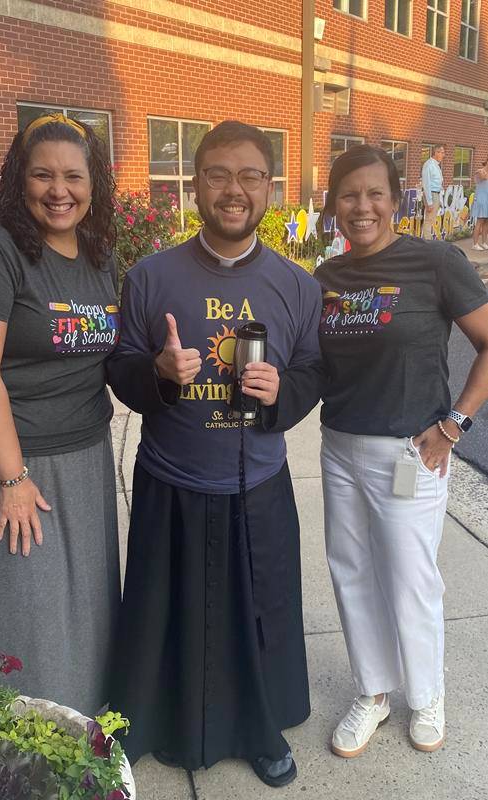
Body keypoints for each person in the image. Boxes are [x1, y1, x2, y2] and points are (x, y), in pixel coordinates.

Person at [107, 121, 323, 787]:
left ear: (269, 187)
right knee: (160, 616)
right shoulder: (149, 277)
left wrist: (284, 388)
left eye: (250, 176)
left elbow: (315, 371)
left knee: (255, 618)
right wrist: (161, 376)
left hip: (256, 481)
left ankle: (257, 728)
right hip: (171, 478)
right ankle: (144, 722)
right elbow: (119, 368)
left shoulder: (297, 284)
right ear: (196, 184)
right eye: (218, 174)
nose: (234, 190)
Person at [315, 144, 488, 758]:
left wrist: (454, 425)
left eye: (374, 193)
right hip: (339, 447)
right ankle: (374, 691)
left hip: (412, 452)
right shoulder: (327, 279)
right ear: (333, 205)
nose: (362, 207)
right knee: (352, 572)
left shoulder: (435, 262)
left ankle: (427, 693)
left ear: (396, 199)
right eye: (348, 195)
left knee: (412, 580)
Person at [0, 113, 120, 716]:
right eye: (42, 175)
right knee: (26, 620)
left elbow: (108, 355)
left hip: (86, 457)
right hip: (14, 464)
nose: (59, 191)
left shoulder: (98, 253)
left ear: (93, 183)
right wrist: (11, 479)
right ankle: (21, 756)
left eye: (73, 177)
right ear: (18, 180)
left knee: (86, 612)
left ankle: (86, 740)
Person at [421, 143, 445, 239]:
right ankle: (427, 243)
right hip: (431, 194)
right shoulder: (429, 165)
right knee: (429, 220)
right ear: (436, 152)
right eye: (442, 152)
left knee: (431, 220)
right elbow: (426, 184)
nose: (443, 155)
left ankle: (426, 242)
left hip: (436, 194)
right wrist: (429, 202)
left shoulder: (436, 165)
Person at [471, 158, 488, 251]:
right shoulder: (480, 171)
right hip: (481, 199)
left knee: (486, 222)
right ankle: (475, 243)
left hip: (487, 199)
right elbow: (483, 177)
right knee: (480, 221)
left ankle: (484, 242)